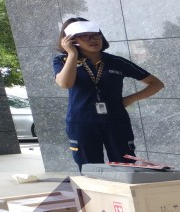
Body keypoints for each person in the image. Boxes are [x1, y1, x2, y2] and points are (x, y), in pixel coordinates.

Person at [54, 18, 164, 170]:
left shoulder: (116, 61)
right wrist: (72, 54)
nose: (93, 39)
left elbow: (156, 84)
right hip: (82, 122)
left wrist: (129, 99)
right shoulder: (63, 60)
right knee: (90, 169)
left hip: (116, 121)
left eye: (96, 35)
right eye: (85, 36)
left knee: (125, 167)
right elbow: (65, 83)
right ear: (71, 39)